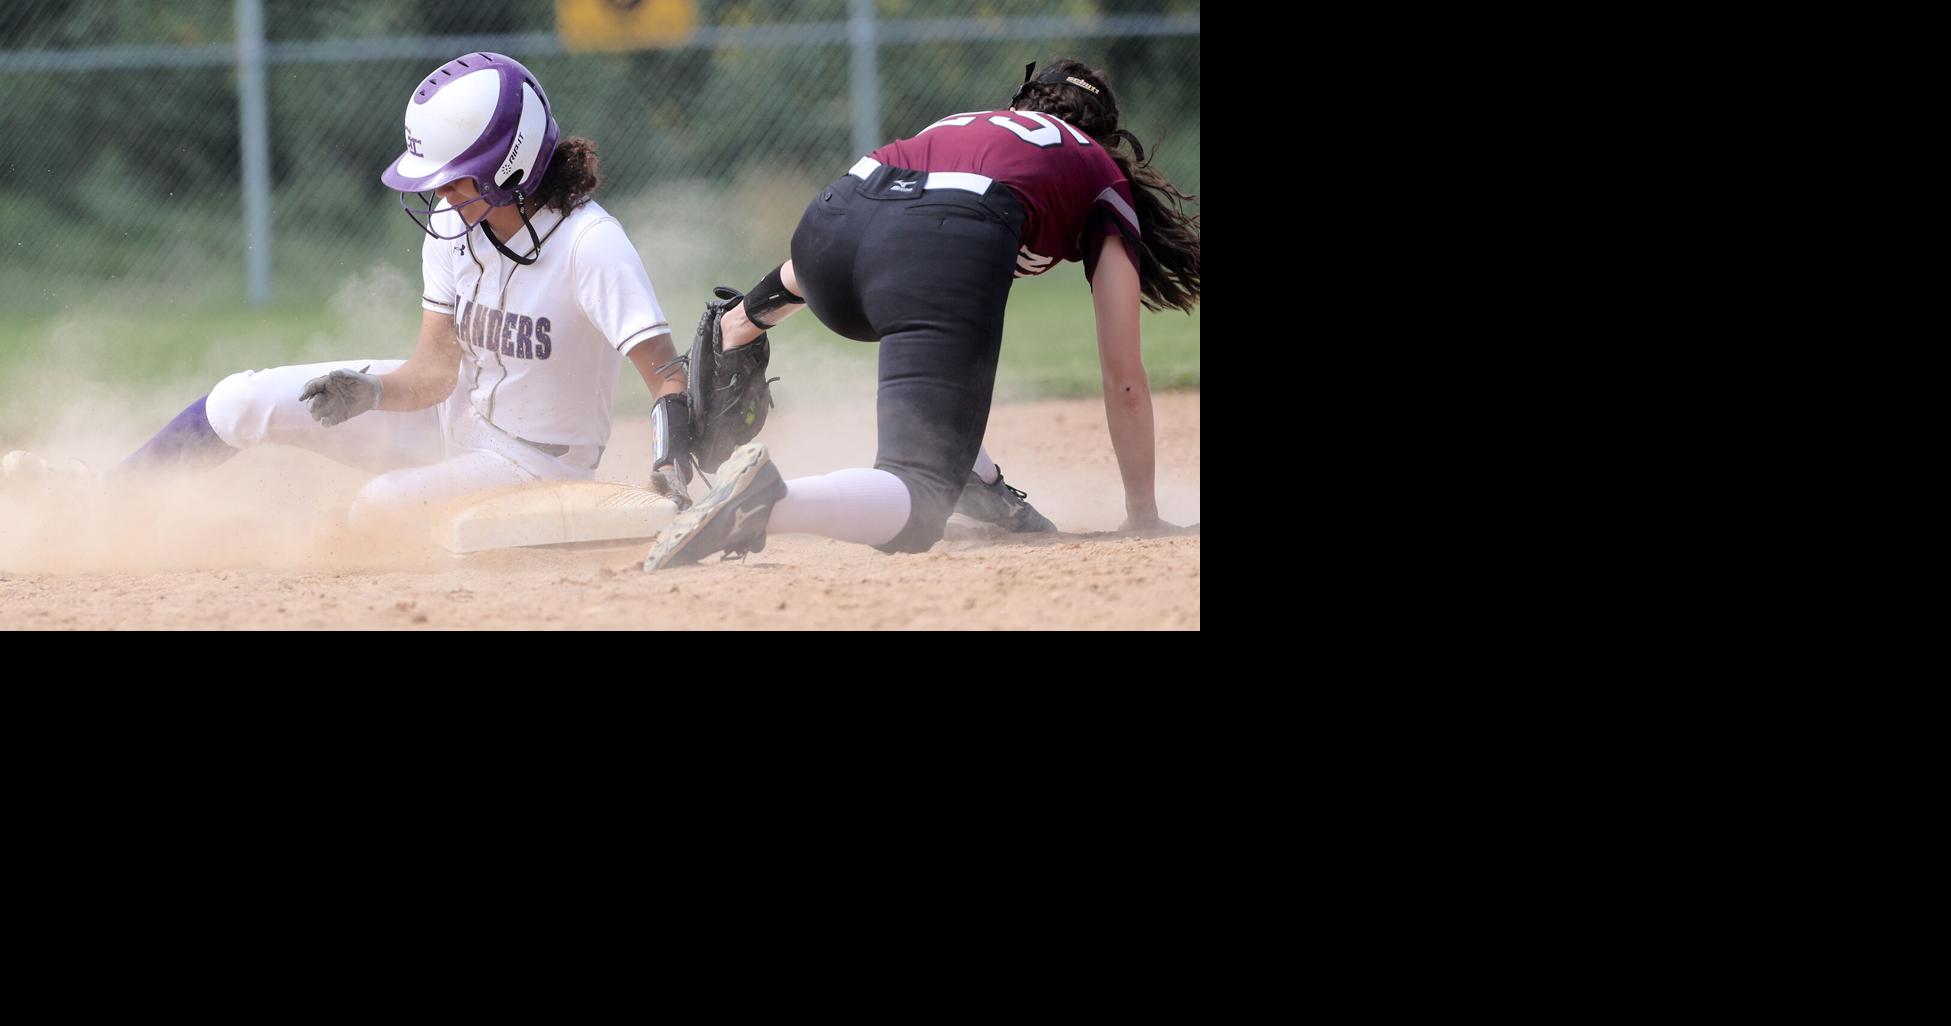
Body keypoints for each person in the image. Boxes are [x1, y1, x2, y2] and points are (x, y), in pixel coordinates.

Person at [4, 53, 687, 526]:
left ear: (510, 166)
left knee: (379, 509)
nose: (440, 196)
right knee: (243, 399)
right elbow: (436, 370)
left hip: (543, 465)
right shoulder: (456, 223)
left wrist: (673, 462)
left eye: (455, 177)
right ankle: (101, 500)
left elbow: (666, 379)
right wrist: (373, 393)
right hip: (459, 428)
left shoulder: (590, 245)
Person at [644, 58, 1200, 571]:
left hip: (826, 242)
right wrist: (1142, 512)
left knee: (937, 371)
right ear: (1104, 133)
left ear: (1022, 103)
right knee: (919, 498)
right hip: (924, 263)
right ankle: (768, 500)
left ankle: (975, 478)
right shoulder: (1097, 167)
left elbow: (883, 218)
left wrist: (744, 319)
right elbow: (1124, 376)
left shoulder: (966, 123)